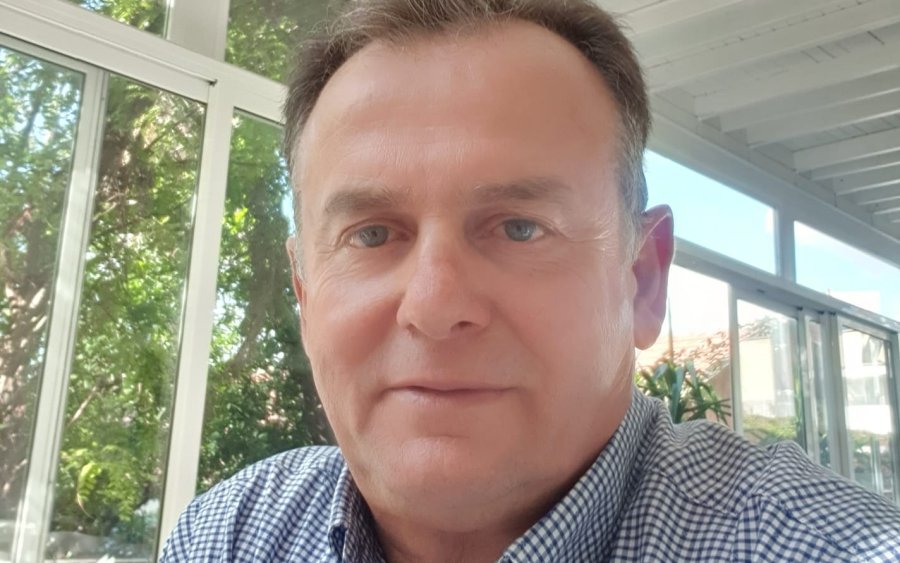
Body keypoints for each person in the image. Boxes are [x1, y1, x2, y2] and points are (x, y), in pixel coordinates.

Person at [161, 0, 900, 561]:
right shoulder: (225, 537)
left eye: (519, 227)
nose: (434, 305)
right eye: (373, 235)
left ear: (642, 279)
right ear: (304, 292)